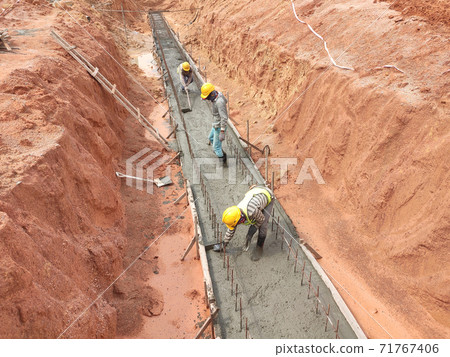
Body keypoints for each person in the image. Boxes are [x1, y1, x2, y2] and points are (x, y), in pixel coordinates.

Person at [214, 186, 274, 261]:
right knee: (257, 216)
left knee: (263, 227)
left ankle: (259, 249)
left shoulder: (251, 211)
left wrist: (253, 228)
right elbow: (231, 229)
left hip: (267, 195)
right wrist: (224, 243)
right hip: (256, 194)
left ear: (239, 219)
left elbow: (262, 219)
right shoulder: (235, 213)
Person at [200, 82, 227, 164]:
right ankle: (220, 150)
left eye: (207, 97)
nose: (207, 99)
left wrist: (222, 132)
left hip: (219, 126)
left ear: (211, 94)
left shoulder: (219, 102)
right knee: (210, 137)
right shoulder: (217, 95)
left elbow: (224, 118)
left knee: (215, 148)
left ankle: (223, 160)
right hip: (216, 124)